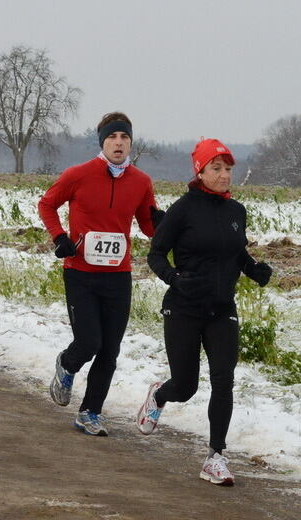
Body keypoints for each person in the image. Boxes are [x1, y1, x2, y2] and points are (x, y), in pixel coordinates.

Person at [136, 139, 273, 486]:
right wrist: (174, 278)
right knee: (186, 386)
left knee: (223, 379)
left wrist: (253, 268)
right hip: (183, 307)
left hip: (221, 308)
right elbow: (156, 254)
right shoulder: (183, 209)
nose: (225, 175)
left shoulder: (235, 212)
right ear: (200, 171)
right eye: (216, 168)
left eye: (228, 169)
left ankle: (216, 457)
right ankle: (160, 394)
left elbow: (235, 251)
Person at [40, 112, 163, 436]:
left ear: (131, 143)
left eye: (124, 138)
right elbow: (47, 204)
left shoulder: (141, 182)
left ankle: (90, 413)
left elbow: (149, 226)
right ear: (102, 142)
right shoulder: (78, 174)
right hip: (80, 271)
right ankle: (67, 364)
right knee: (89, 341)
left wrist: (166, 225)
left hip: (118, 275)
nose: (119, 143)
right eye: (112, 137)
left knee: (110, 349)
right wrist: (59, 236)